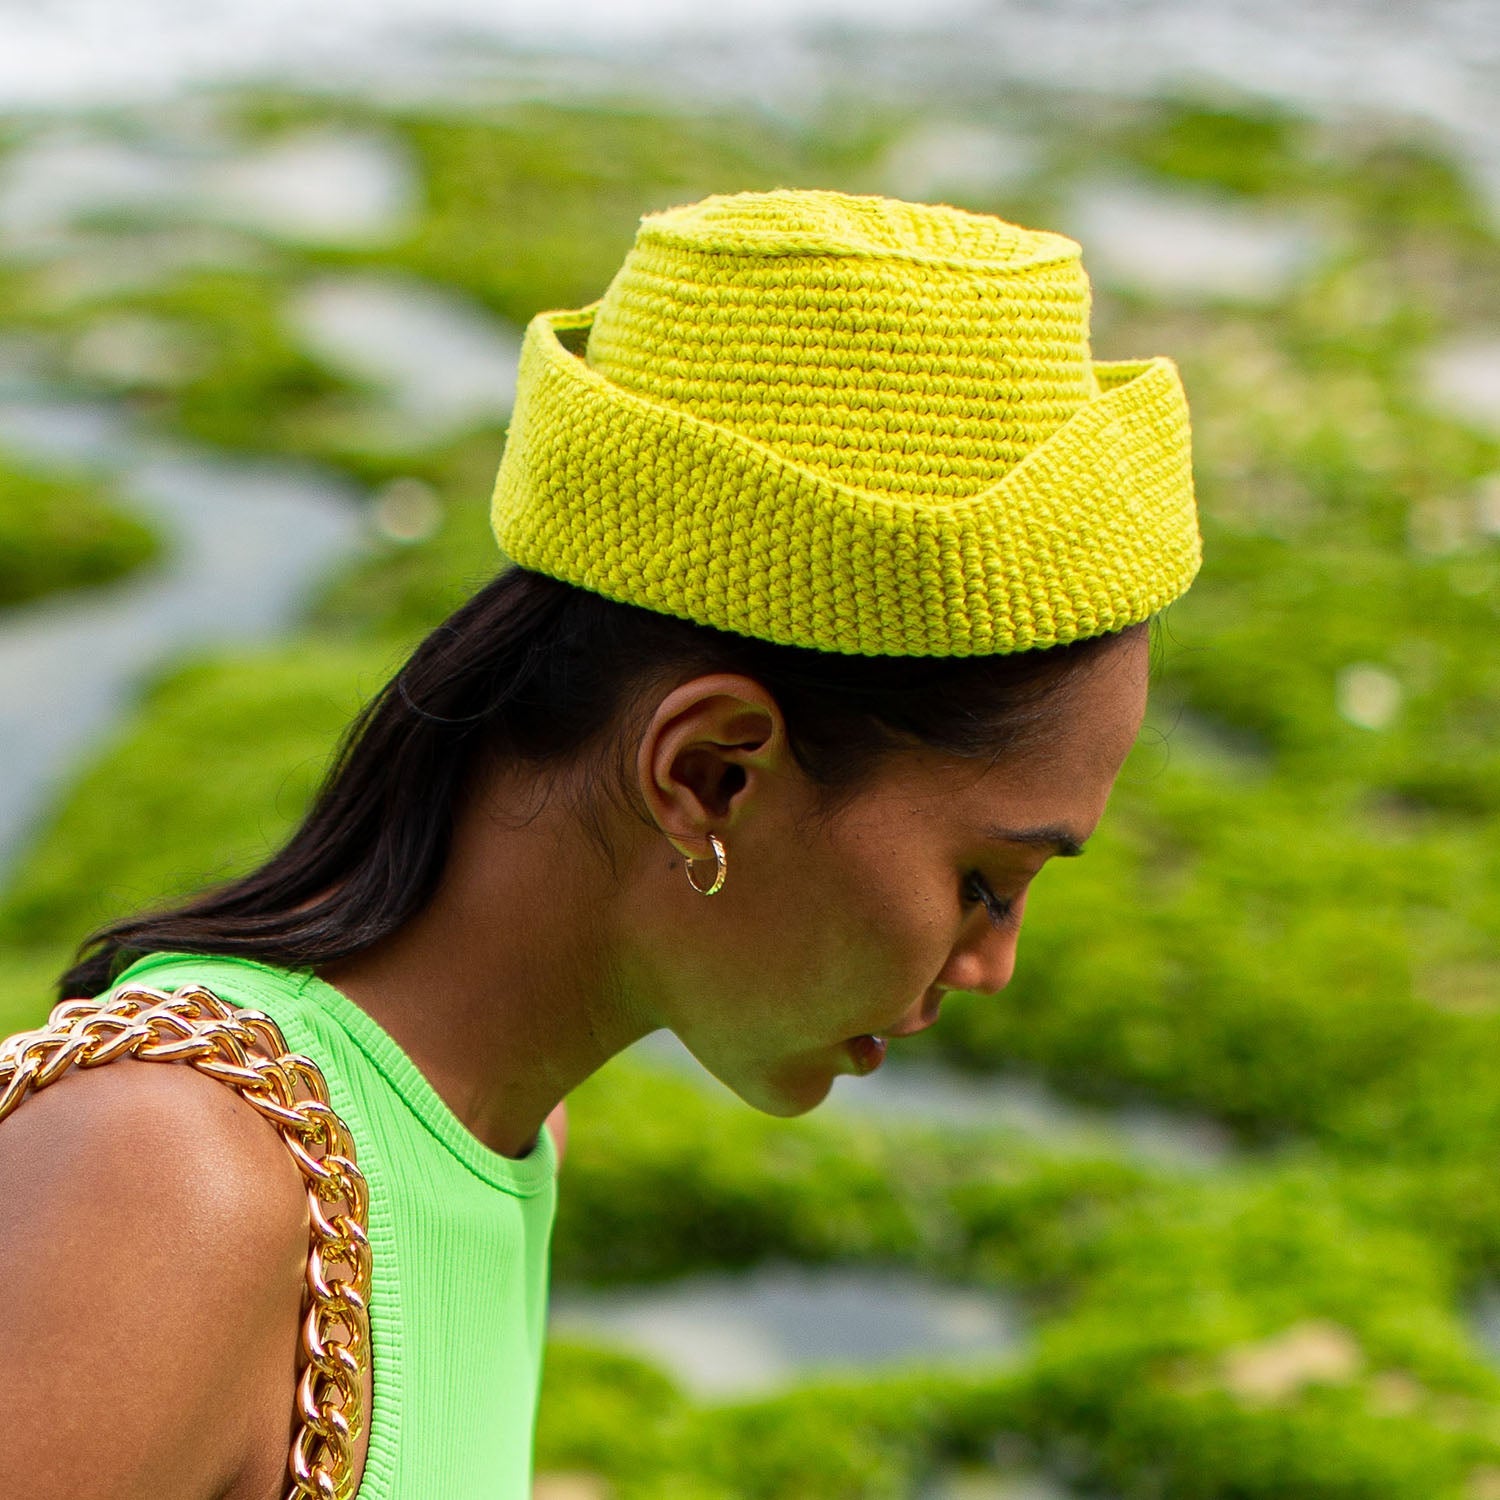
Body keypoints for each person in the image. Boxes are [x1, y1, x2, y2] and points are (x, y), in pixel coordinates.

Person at [0, 188, 1199, 1500]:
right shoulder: (175, 1183)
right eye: (988, 882)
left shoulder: (510, 1130)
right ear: (709, 773)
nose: (992, 967)